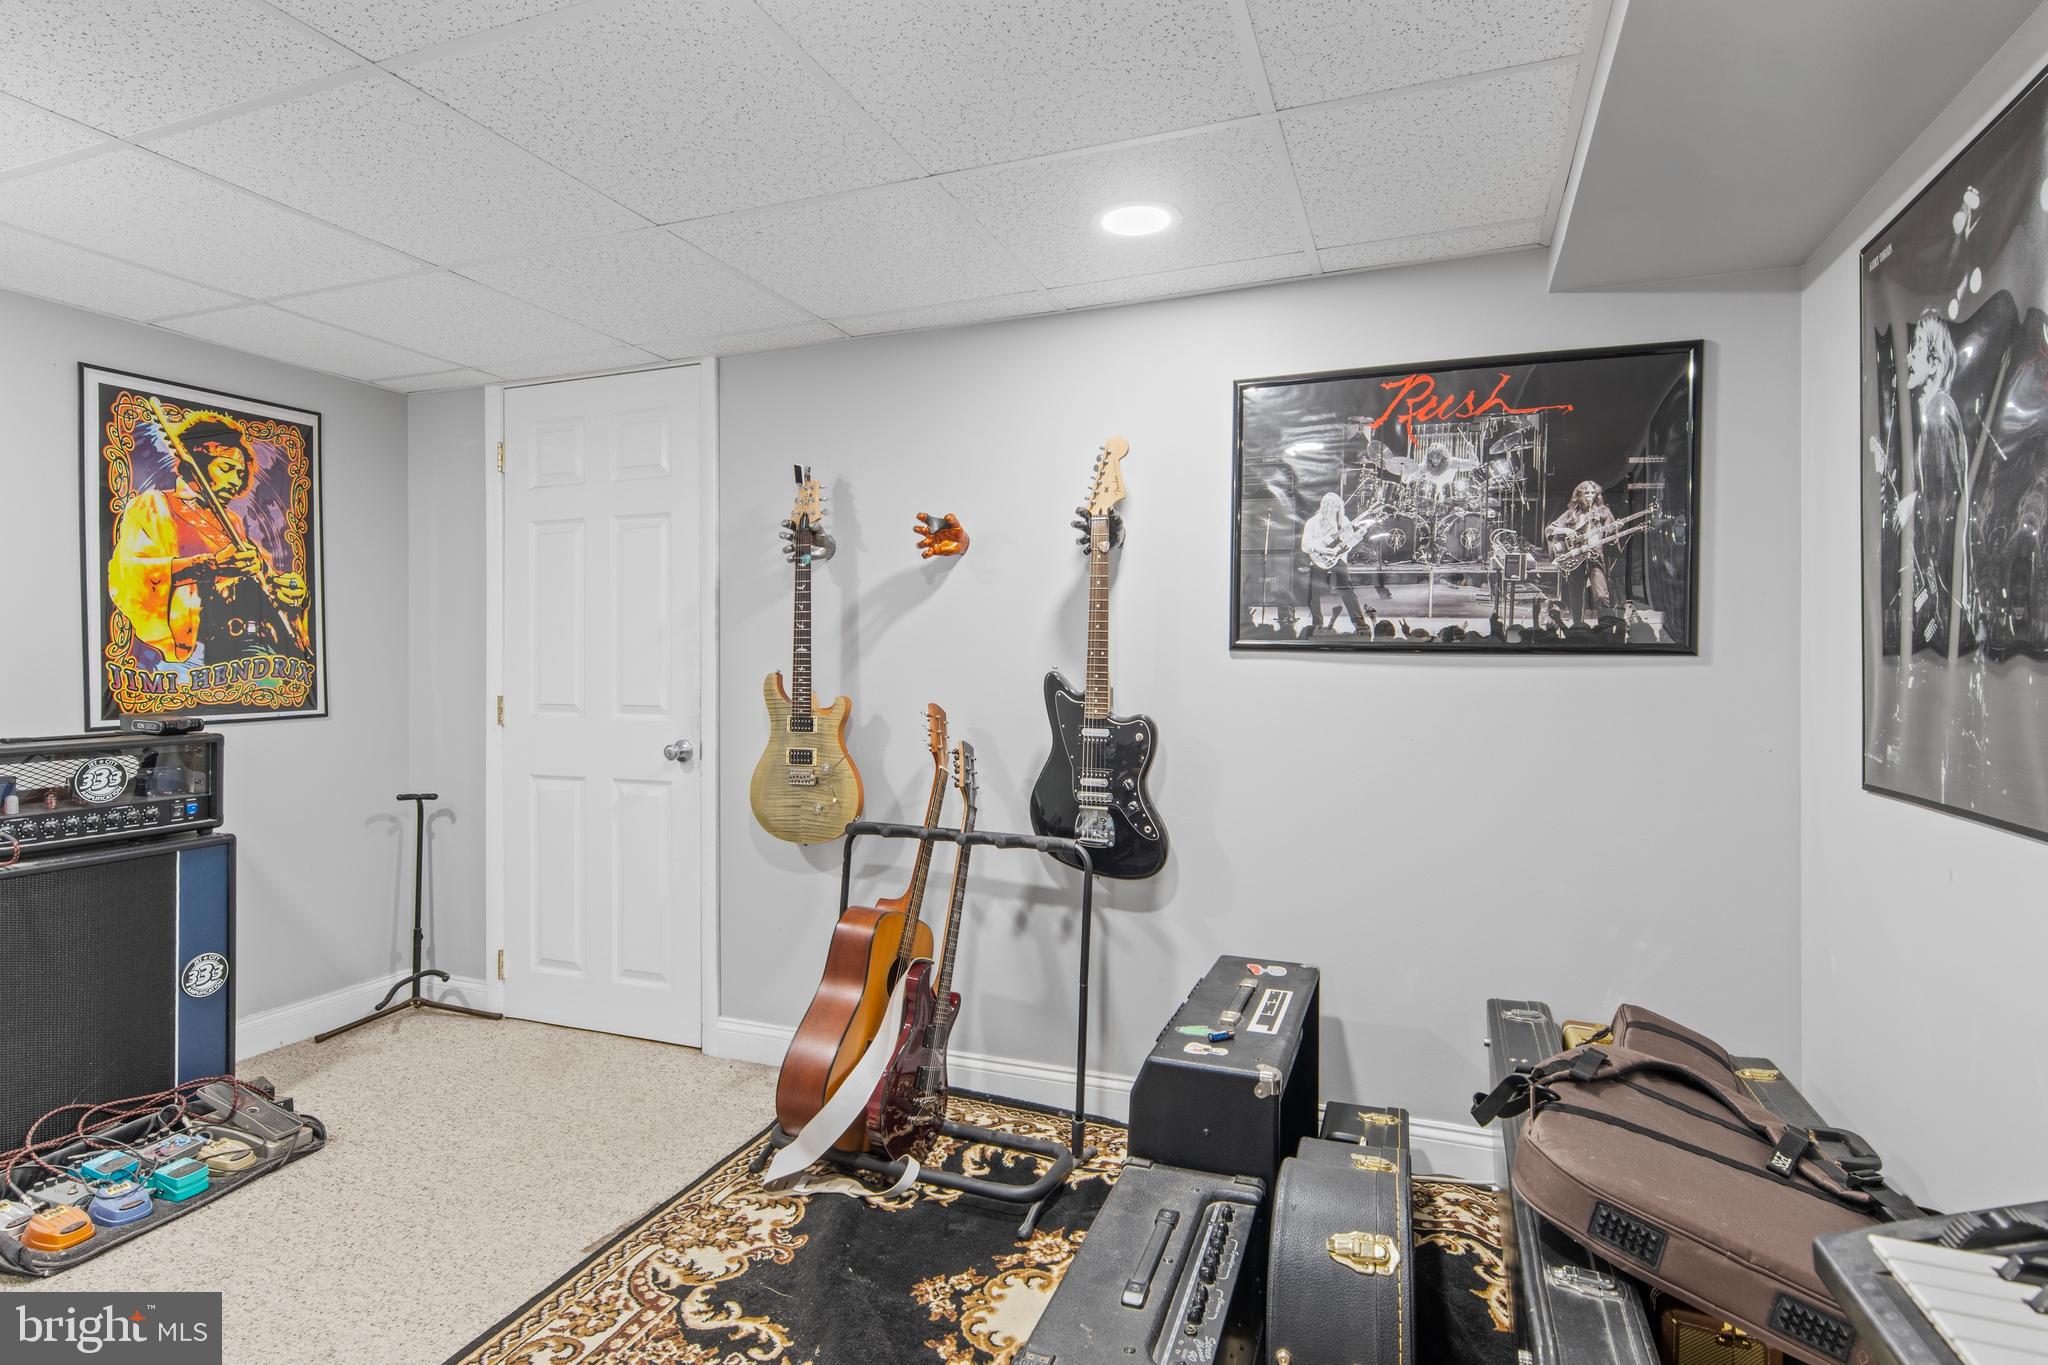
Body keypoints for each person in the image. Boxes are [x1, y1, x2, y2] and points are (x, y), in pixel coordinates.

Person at [107, 410, 309, 665]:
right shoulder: (154, 504)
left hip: (240, 647)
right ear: (196, 462)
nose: (235, 482)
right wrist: (209, 566)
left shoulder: (232, 521)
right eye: (227, 468)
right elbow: (129, 574)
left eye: (240, 474)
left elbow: (254, 582)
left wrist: (281, 587)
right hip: (187, 655)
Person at [1546, 480, 1618, 627]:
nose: (1590, 496)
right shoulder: (1571, 514)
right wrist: (1565, 530)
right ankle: (1577, 627)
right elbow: (1549, 529)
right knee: (1576, 595)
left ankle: (1604, 628)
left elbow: (1612, 537)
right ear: (1579, 495)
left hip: (1595, 556)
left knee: (1601, 594)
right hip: (1575, 558)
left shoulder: (1603, 511)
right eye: (1586, 493)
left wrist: (1613, 530)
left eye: (1593, 493)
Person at [1299, 491, 1372, 634]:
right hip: (1318, 560)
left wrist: (1358, 536)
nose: (1332, 509)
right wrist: (1323, 550)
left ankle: (1360, 625)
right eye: (1328, 505)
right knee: (1314, 594)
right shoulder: (1313, 522)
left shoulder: (1343, 521)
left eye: (1335, 506)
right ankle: (1317, 625)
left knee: (1347, 590)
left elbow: (1349, 542)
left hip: (1338, 559)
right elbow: (1305, 545)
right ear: (1323, 505)